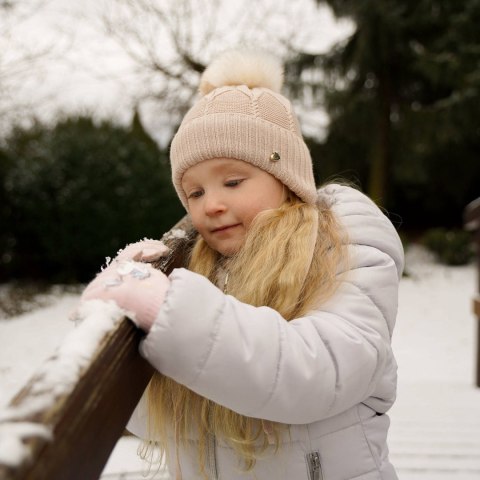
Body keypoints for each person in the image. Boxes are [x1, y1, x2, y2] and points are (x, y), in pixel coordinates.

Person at [81, 49, 404, 480]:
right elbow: (162, 424)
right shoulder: (198, 264)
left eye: (233, 181)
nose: (211, 205)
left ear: (285, 176)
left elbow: (322, 371)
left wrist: (169, 310)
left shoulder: (342, 242)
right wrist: (117, 320)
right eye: (194, 193)